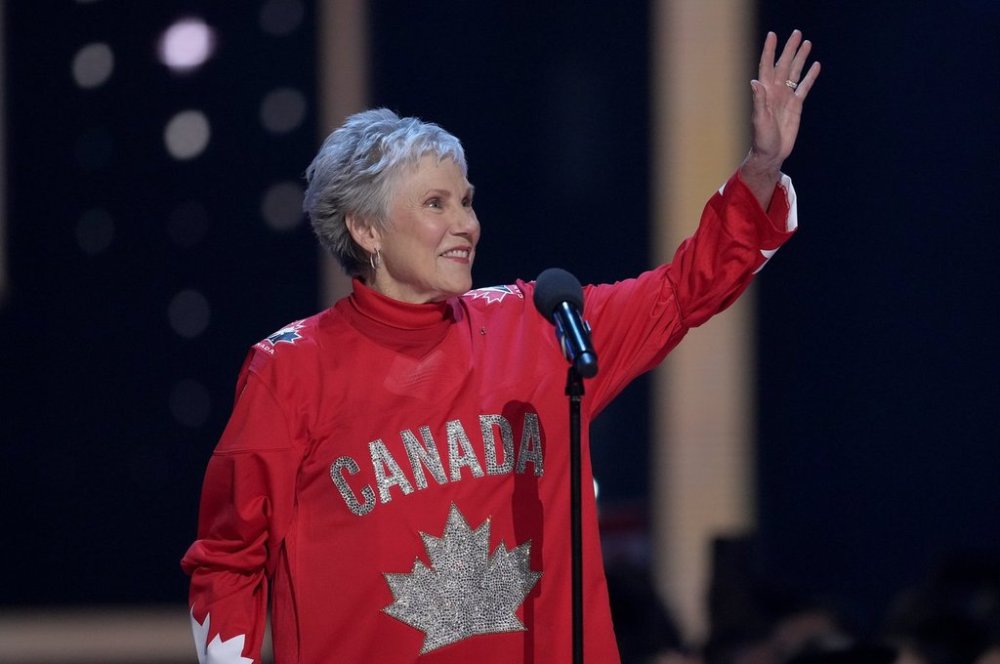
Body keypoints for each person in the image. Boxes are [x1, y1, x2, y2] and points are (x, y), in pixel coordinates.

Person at [182, 30, 820, 664]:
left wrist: (762, 167)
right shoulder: (290, 368)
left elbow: (686, 289)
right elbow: (230, 556)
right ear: (365, 228)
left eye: (466, 200)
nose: (466, 223)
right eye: (436, 204)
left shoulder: (541, 325)